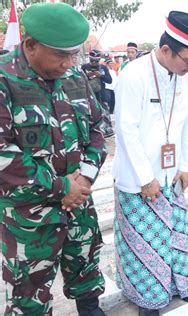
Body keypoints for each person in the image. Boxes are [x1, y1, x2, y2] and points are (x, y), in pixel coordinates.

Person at [0, 3, 107, 315]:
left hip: (79, 204)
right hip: (29, 220)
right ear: (30, 45)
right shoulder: (5, 79)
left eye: (74, 54)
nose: (69, 62)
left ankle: (90, 308)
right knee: (28, 295)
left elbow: (98, 128)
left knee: (85, 266)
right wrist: (63, 188)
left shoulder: (75, 78)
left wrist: (85, 177)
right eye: (61, 55)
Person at [112, 11, 188, 316]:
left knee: (174, 236)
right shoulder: (134, 74)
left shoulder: (185, 74)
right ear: (166, 50)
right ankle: (146, 299)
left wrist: (187, 165)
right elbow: (125, 129)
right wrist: (145, 177)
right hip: (139, 177)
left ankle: (177, 284)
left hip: (171, 174)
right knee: (143, 243)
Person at [82, 50, 114, 137]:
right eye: (92, 60)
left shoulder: (103, 68)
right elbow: (79, 80)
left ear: (99, 60)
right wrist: (86, 76)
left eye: (96, 61)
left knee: (104, 112)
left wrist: (101, 76)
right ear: (89, 58)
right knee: (91, 113)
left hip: (102, 94)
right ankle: (94, 132)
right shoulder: (84, 67)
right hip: (89, 94)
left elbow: (110, 80)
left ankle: (107, 131)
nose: (94, 63)